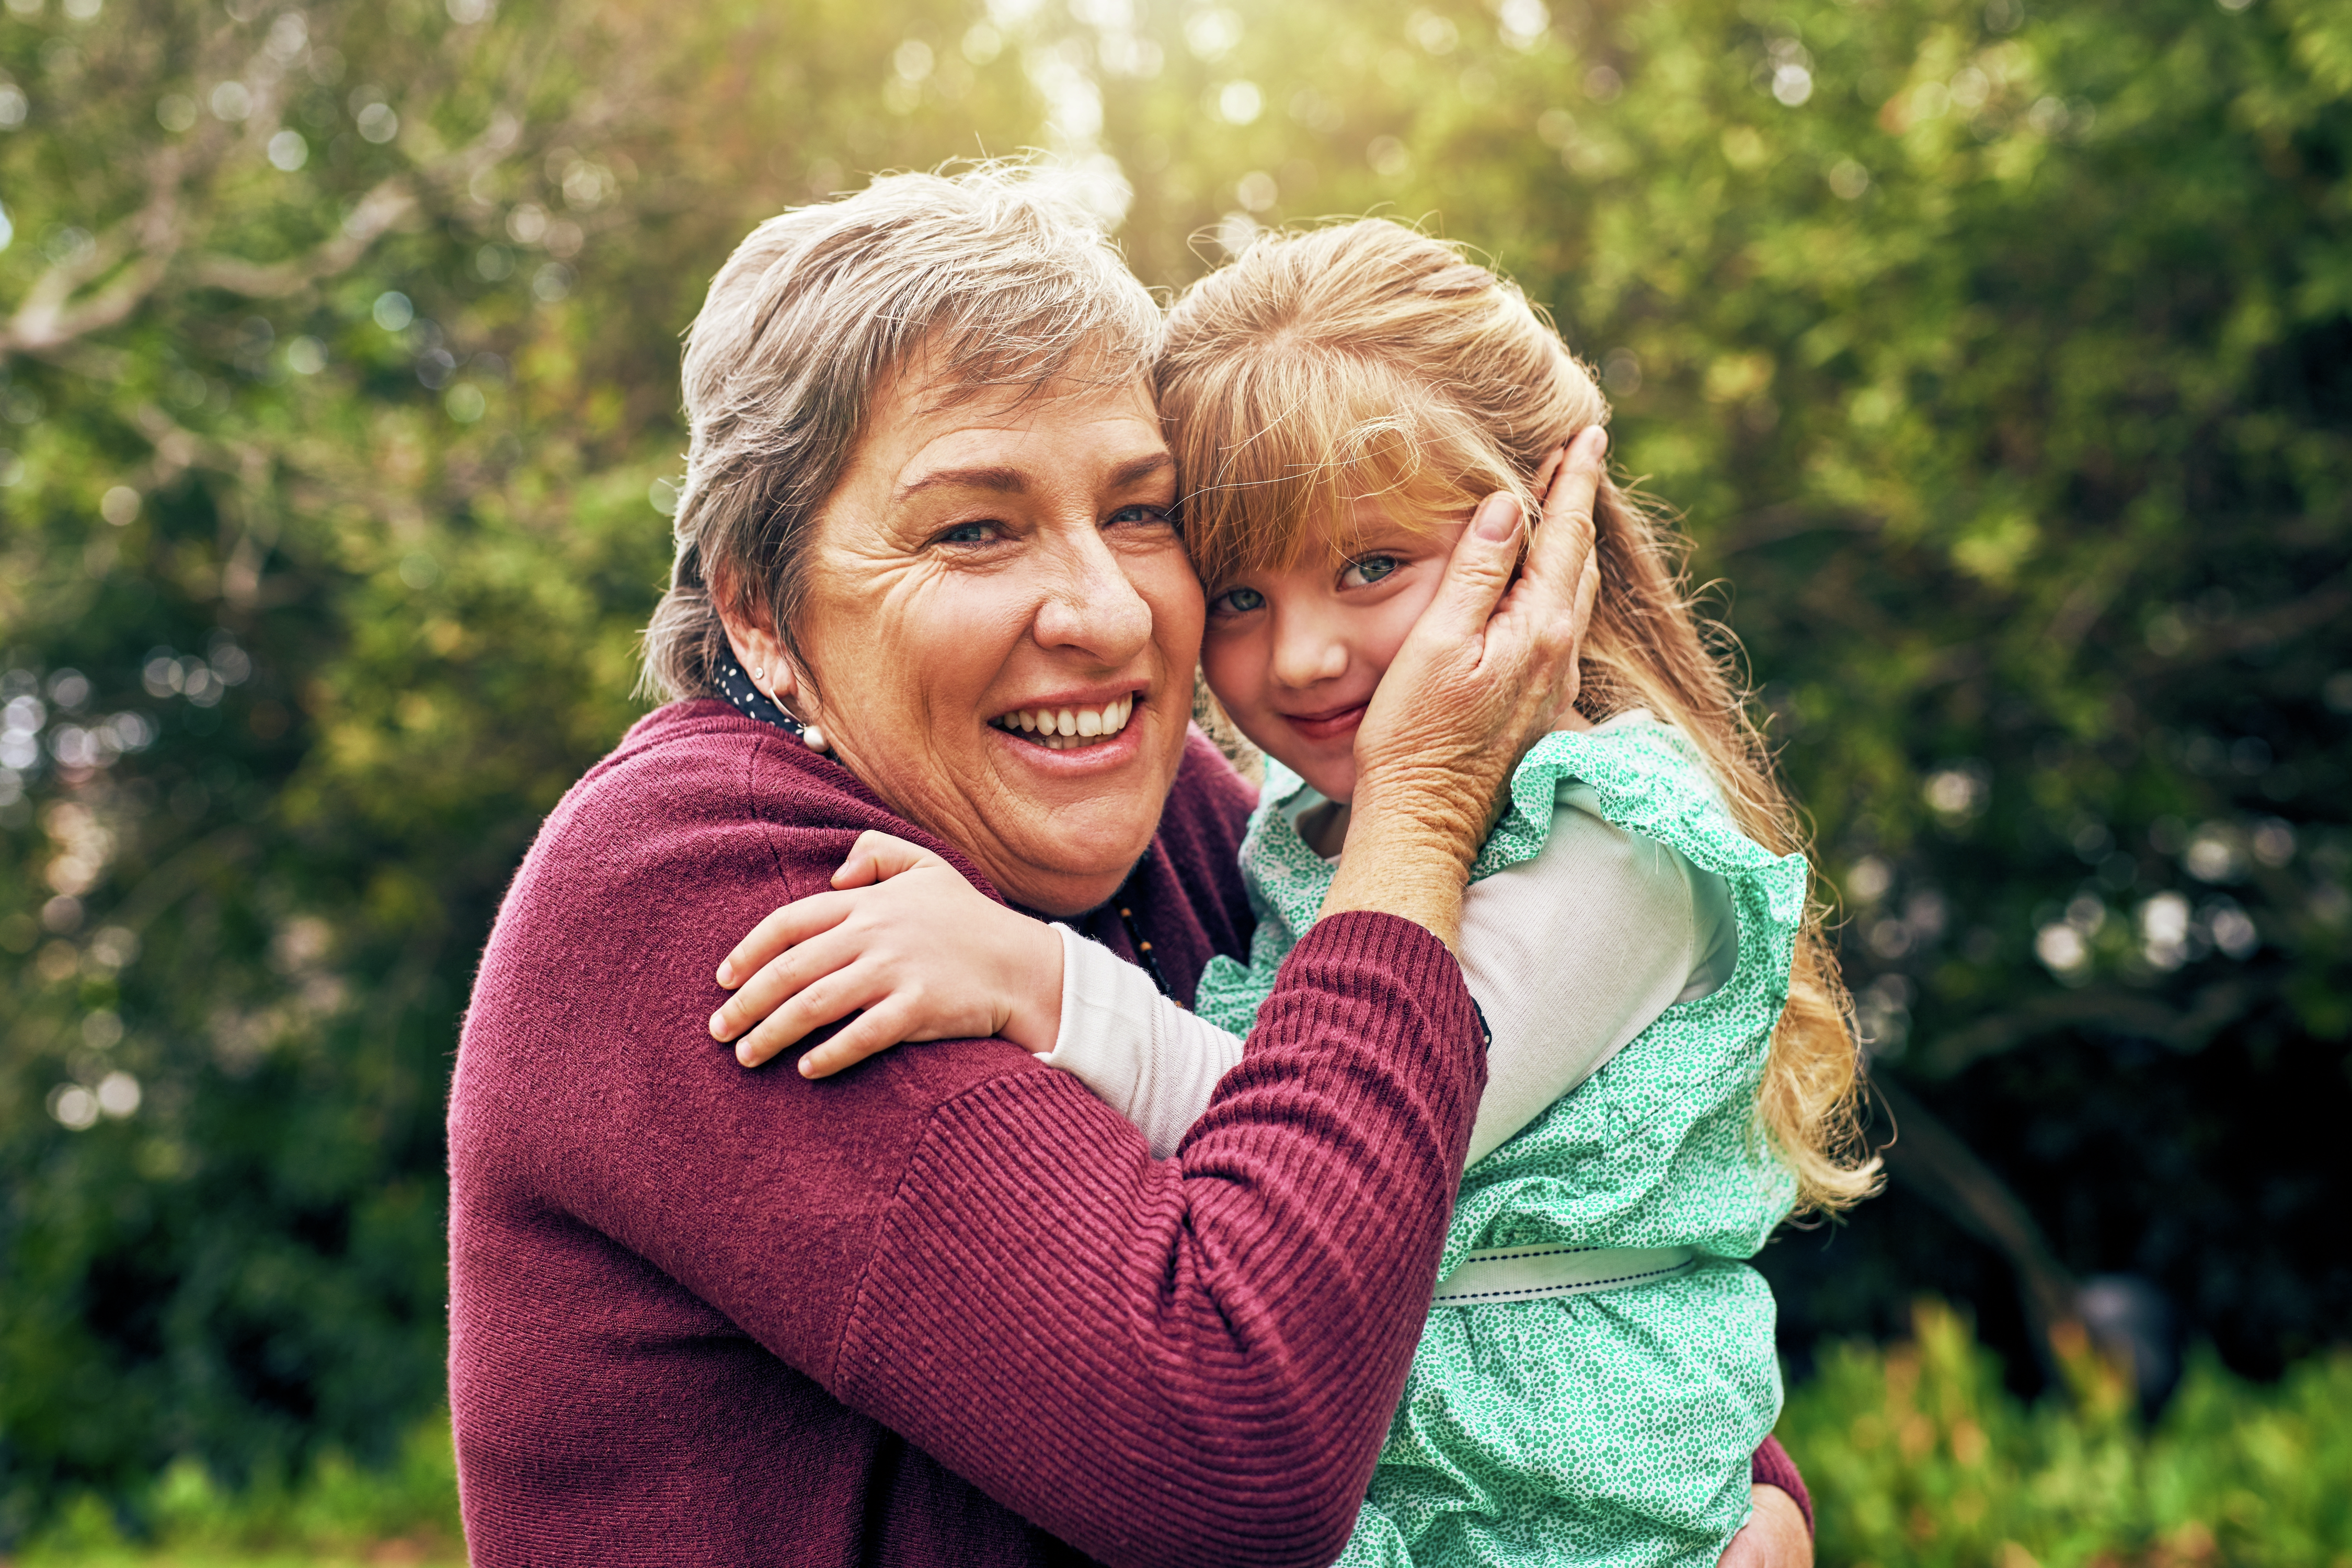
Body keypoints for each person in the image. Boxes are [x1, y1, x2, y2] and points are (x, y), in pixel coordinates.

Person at [448, 167, 1814, 1566]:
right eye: (974, 527)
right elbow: (1239, 1442)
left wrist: (1728, 1486)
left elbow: (1424, 1193)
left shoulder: (1163, 820)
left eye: (1140, 512)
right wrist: (1421, 811)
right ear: (761, 612)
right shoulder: (712, 887)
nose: (1103, 613)